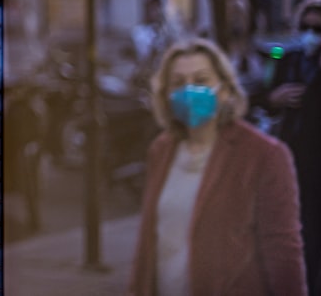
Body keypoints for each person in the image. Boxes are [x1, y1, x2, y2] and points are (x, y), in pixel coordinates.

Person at [128, 38, 306, 296]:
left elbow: (282, 250)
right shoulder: (162, 150)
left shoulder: (264, 156)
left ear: (224, 91)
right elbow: (148, 240)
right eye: (178, 83)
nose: (189, 90)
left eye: (201, 80)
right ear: (166, 94)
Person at [257, 0, 321, 294]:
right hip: (290, 157)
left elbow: (319, 108)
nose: (310, 33)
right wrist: (274, 99)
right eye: (305, 26)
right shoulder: (286, 58)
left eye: (318, 28)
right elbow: (263, 91)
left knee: (314, 236)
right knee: (294, 232)